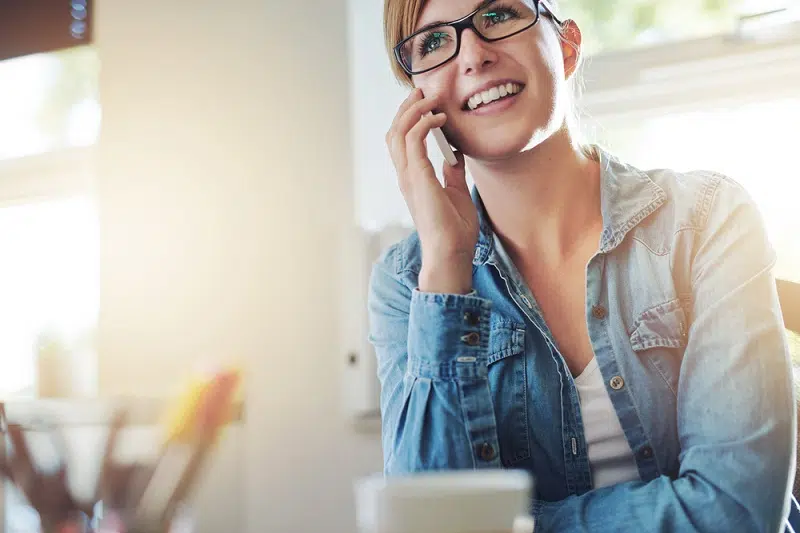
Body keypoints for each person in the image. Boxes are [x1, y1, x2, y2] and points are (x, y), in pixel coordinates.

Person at [367, 0, 797, 531]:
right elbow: (426, 523)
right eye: (432, 42)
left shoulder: (707, 218)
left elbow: (736, 512)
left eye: (498, 15)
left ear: (567, 45)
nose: (474, 55)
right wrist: (447, 267)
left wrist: (514, 524)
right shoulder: (409, 281)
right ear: (418, 99)